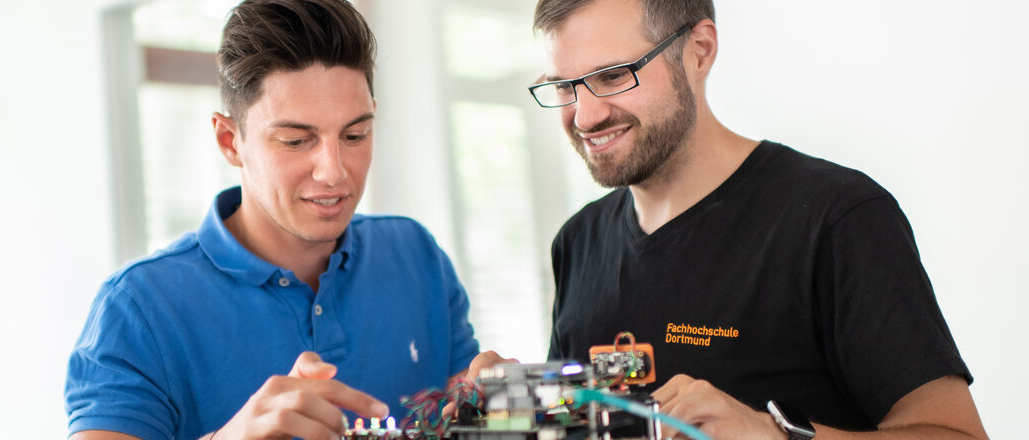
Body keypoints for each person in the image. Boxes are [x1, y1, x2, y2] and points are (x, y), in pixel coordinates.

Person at [528, 0, 988, 438]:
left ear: (700, 50)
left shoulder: (837, 218)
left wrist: (770, 434)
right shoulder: (576, 241)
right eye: (564, 87)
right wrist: (513, 415)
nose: (585, 116)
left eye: (613, 75)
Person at [65, 1, 503, 440]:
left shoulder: (416, 254)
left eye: (355, 135)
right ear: (229, 141)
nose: (334, 171)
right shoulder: (137, 309)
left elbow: (458, 409)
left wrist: (490, 408)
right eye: (295, 141)